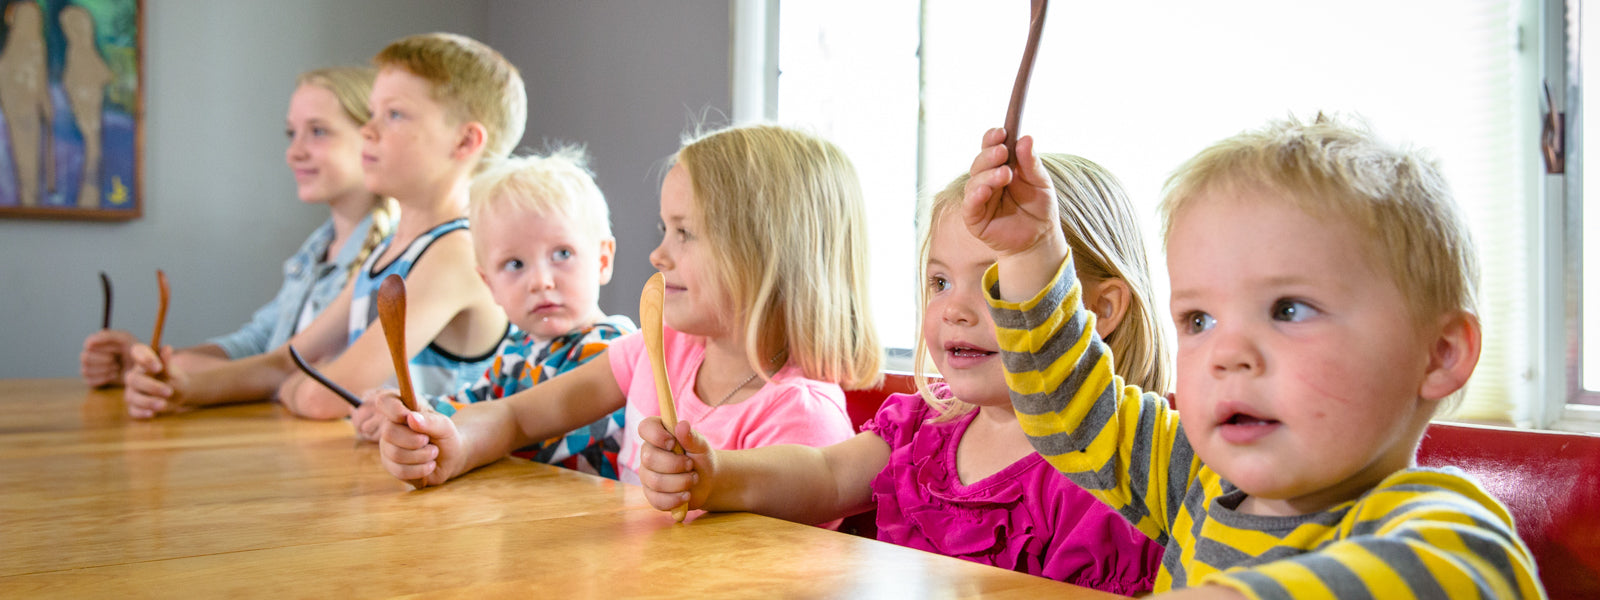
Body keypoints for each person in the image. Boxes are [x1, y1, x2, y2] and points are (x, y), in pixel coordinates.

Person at [967, 118, 1545, 597]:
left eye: (1289, 310)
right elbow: (1071, 412)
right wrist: (1030, 254)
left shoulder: (1437, 525)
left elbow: (1462, 579)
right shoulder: (1196, 477)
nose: (1227, 352)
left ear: (1439, 355)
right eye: (1200, 320)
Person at [635, 156, 1165, 592]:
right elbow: (824, 475)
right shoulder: (921, 426)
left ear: (1100, 309)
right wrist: (716, 476)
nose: (954, 309)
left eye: (995, 284)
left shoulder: (1119, 475)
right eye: (939, 282)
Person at [372, 124, 883, 489]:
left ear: (767, 251)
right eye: (665, 229)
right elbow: (517, 418)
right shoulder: (660, 350)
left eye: (684, 232)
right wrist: (453, 444)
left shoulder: (800, 417)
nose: (658, 254)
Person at [122, 33, 524, 421]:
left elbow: (325, 398)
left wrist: (293, 387)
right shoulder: (390, 250)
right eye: (372, 114)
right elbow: (286, 361)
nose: (369, 130)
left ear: (465, 142)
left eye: (395, 114)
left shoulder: (455, 253)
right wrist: (180, 388)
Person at [80, 67, 394, 388]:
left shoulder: (391, 258)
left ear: (370, 137)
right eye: (291, 133)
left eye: (318, 131)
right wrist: (149, 362)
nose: (294, 152)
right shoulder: (316, 249)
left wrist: (182, 373)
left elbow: (293, 373)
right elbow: (259, 342)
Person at [353, 148, 636, 479]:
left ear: (602, 260)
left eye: (562, 253)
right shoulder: (517, 350)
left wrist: (437, 425)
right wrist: (412, 415)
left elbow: (534, 436)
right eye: (515, 264)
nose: (541, 282)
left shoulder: (613, 350)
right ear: (489, 284)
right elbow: (473, 403)